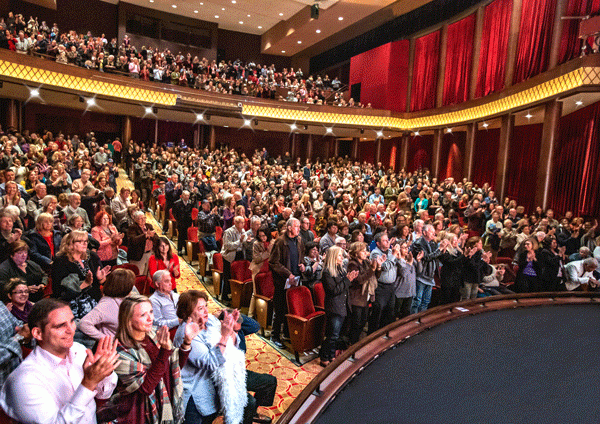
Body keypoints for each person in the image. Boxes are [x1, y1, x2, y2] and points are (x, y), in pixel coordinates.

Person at [0, 298, 118, 423]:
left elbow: (103, 395)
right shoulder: (23, 381)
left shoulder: (79, 350)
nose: (71, 330)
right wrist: (88, 383)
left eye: (72, 321)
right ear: (38, 333)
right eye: (60, 325)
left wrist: (104, 372)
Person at [173, 291, 273, 424]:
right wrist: (224, 336)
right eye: (200, 308)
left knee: (252, 398)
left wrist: (230, 329)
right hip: (196, 391)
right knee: (204, 419)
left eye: (206, 306)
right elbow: (211, 362)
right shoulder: (185, 333)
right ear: (187, 312)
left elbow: (234, 342)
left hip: (218, 378)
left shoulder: (210, 321)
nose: (206, 311)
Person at [108, 294, 199, 423]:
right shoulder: (120, 350)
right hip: (140, 413)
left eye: (151, 312)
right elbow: (146, 387)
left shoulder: (154, 335)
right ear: (128, 320)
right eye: (143, 315)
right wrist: (165, 351)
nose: (151, 318)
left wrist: (186, 342)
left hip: (165, 404)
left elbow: (172, 367)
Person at [269, 217, 304, 348]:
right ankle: (275, 335)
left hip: (295, 279)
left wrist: (303, 265)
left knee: (291, 308)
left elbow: (301, 257)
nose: (299, 229)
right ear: (289, 227)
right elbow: (273, 262)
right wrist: (287, 273)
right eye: (297, 227)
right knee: (279, 309)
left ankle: (288, 334)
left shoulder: (299, 240)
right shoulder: (280, 241)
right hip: (282, 281)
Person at [319, 246, 358, 366]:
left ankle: (331, 356)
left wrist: (349, 280)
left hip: (342, 306)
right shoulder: (327, 272)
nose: (342, 257)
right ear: (333, 257)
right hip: (334, 307)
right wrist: (347, 280)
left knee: (336, 335)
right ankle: (324, 357)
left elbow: (344, 287)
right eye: (340, 255)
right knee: (332, 335)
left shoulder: (340, 269)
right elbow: (333, 291)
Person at [79, 269, 136, 341]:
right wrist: (107, 339)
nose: (133, 286)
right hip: (115, 347)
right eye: (131, 284)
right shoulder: (107, 304)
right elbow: (83, 324)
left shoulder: (124, 298)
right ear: (124, 286)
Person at [412, 224, 449, 314]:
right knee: (417, 302)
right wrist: (439, 249)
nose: (434, 233)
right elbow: (427, 257)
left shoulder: (432, 243)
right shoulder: (418, 243)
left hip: (430, 277)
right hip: (421, 276)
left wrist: (443, 250)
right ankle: (413, 321)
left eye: (433, 232)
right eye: (431, 232)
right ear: (424, 233)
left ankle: (421, 319)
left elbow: (437, 256)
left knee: (426, 301)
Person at [346, 242, 378, 345]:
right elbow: (359, 280)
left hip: (365, 298)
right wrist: (371, 269)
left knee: (363, 322)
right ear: (356, 253)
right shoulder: (352, 264)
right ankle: (352, 345)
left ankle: (356, 344)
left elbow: (375, 276)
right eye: (363, 251)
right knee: (356, 324)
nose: (366, 253)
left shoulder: (365, 262)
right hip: (356, 298)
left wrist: (378, 267)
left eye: (366, 250)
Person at [368, 232, 399, 333]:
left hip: (391, 287)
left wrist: (395, 255)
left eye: (387, 240)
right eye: (385, 240)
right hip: (380, 287)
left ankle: (386, 336)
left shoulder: (390, 252)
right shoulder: (375, 253)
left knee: (390, 313)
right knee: (378, 313)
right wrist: (394, 256)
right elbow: (385, 267)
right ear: (378, 243)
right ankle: (372, 336)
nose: (388, 242)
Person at [220, 215, 247, 303]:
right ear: (235, 223)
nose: (243, 224)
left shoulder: (242, 231)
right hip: (229, 256)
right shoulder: (228, 232)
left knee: (236, 276)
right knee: (227, 276)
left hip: (239, 254)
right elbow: (228, 246)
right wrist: (240, 241)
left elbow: (244, 242)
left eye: (243, 222)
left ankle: (235, 295)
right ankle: (224, 296)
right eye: (241, 222)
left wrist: (246, 241)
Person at [395, 241, 421, 319]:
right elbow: (403, 274)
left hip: (409, 291)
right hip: (400, 292)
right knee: (396, 314)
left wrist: (418, 261)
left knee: (406, 315)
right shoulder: (397, 260)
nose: (407, 249)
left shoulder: (409, 258)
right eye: (404, 248)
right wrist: (409, 264)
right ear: (399, 249)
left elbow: (419, 271)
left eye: (407, 247)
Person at [126, 210, 157, 276]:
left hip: (150, 254)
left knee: (148, 275)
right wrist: (145, 236)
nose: (143, 220)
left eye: (144, 218)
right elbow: (133, 240)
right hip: (138, 256)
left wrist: (152, 236)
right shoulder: (132, 228)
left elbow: (157, 239)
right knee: (138, 275)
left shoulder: (149, 226)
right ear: (135, 219)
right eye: (141, 218)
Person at [173, 190, 196, 255]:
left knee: (187, 236)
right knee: (181, 236)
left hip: (188, 222)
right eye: (185, 195)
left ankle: (186, 250)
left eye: (188, 195)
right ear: (182, 196)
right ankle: (179, 250)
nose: (187, 197)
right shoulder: (177, 203)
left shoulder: (191, 203)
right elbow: (174, 213)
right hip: (180, 222)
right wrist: (178, 219)